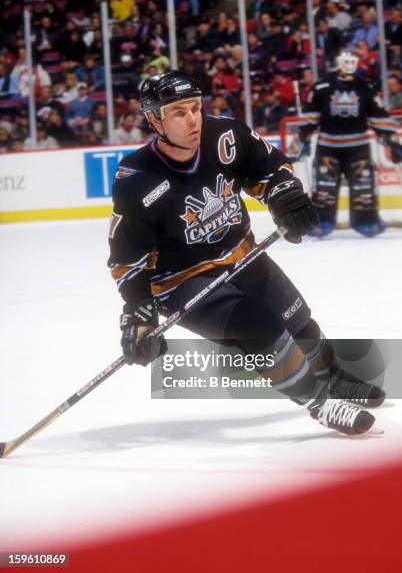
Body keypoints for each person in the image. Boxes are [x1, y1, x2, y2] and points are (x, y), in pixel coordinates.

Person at [108, 70, 385, 437]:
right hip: (184, 281)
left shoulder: (225, 134)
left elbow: (269, 167)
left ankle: (335, 379)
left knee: (300, 321)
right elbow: (127, 258)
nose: (192, 119)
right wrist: (138, 312)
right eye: (178, 112)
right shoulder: (137, 180)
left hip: (243, 255)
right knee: (263, 331)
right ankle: (319, 402)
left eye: (195, 107)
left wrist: (283, 193)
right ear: (154, 118)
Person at [296, 51, 400, 238]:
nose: (349, 64)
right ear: (338, 62)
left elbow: (378, 115)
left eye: (352, 61)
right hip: (328, 147)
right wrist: (303, 138)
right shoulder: (322, 86)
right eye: (346, 61)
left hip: (358, 148)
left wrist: (390, 141)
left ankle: (366, 220)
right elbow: (310, 115)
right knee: (324, 189)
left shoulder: (365, 86)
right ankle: (321, 221)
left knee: (363, 188)